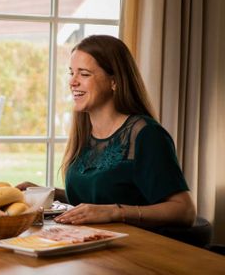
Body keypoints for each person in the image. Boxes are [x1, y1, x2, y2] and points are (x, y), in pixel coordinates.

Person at [17, 35, 196, 228]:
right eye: (71, 73)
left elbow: (184, 210)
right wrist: (46, 192)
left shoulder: (145, 134)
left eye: (84, 74)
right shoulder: (86, 134)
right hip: (90, 244)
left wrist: (115, 212)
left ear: (114, 81)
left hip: (136, 249)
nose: (72, 82)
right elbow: (96, 196)